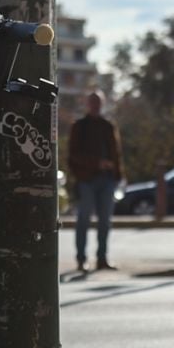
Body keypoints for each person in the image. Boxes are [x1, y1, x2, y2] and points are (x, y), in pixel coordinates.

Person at [66, 92, 122, 274]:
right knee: (83, 220)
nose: (96, 106)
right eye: (93, 102)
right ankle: (81, 259)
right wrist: (96, 163)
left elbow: (116, 153)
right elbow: (72, 156)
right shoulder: (79, 127)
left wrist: (118, 175)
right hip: (87, 180)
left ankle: (102, 258)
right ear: (87, 104)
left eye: (98, 102)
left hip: (107, 180)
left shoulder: (108, 126)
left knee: (105, 221)